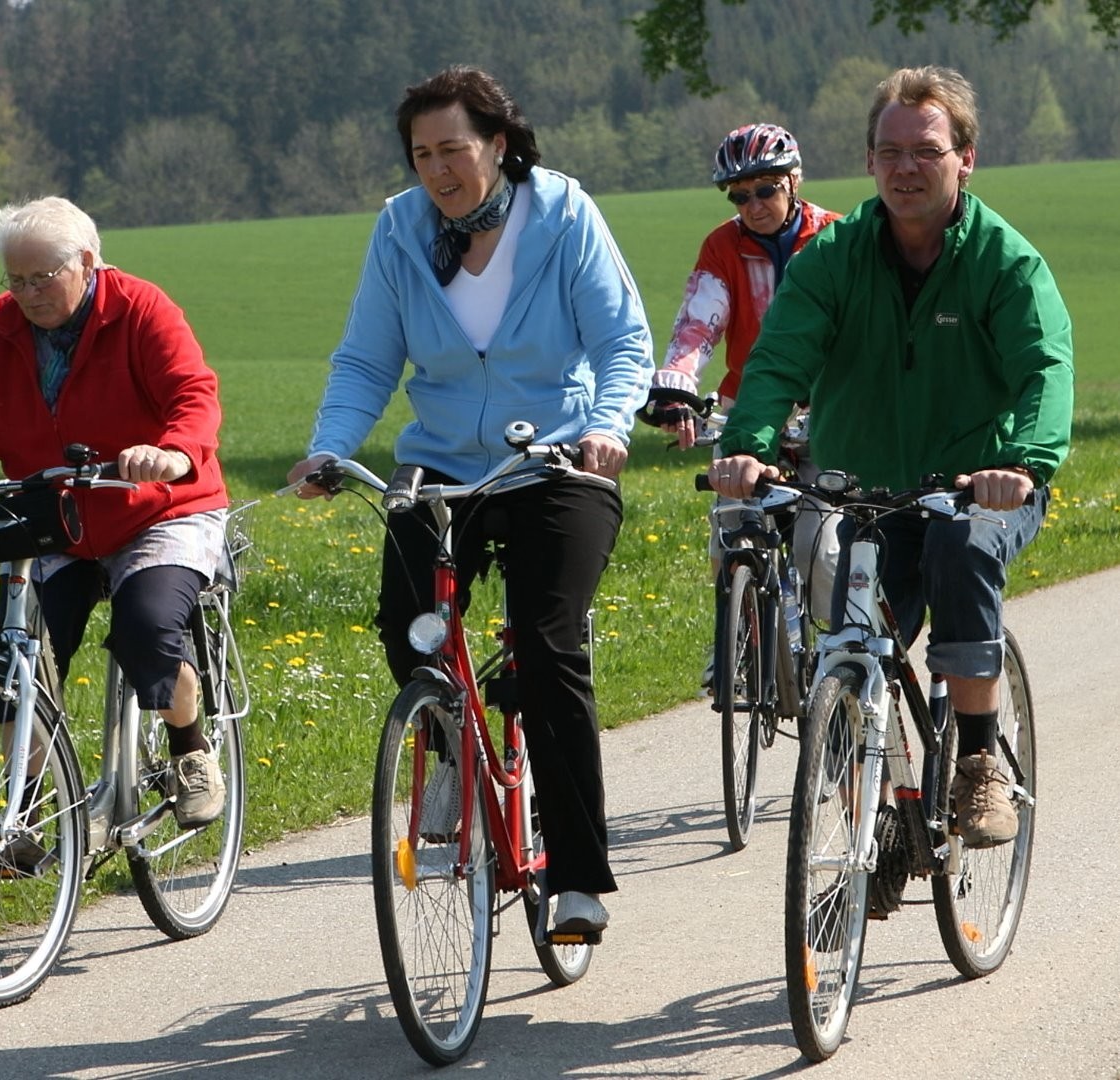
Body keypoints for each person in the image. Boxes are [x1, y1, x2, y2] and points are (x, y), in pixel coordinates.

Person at [286, 65, 653, 934]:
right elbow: (368, 358)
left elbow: (621, 338)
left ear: (498, 143)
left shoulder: (562, 215)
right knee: (406, 622)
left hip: (555, 463)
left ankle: (576, 880)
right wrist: (330, 446)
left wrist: (607, 427)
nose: (439, 171)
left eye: (455, 149)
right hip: (441, 464)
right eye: (422, 155)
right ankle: (447, 741)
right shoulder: (401, 228)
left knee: (547, 642)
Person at [708, 66, 1074, 848]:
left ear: (965, 159)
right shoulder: (834, 258)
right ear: (871, 161)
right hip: (862, 492)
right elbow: (779, 360)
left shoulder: (1006, 264)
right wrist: (747, 447)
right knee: (848, 650)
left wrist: (1021, 464)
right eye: (890, 151)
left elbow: (1044, 369)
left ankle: (979, 766)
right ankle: (872, 824)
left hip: (976, 489)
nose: (907, 167)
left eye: (927, 150)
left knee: (962, 548)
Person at [0, 195, 231, 838]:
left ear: (87, 261)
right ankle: (32, 804)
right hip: (58, 517)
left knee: (148, 628)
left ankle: (189, 750)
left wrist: (170, 454)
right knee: (20, 656)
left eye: (42, 277)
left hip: (158, 509)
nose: (26, 294)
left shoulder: (141, 310)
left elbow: (193, 395)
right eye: (15, 280)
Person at [650, 124, 841, 683]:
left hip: (829, 408)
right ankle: (734, 636)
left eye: (764, 190)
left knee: (820, 551)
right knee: (732, 524)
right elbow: (697, 324)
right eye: (739, 195)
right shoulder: (723, 245)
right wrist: (675, 387)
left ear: (794, 180)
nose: (753, 205)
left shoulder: (835, 236)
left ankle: (841, 663)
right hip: (749, 405)